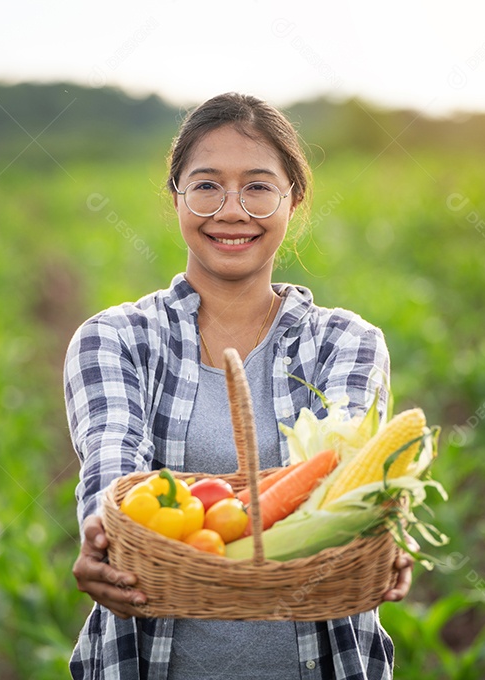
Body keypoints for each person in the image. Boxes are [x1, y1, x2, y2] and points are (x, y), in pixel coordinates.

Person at [66, 92, 414, 679]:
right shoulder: (116, 338)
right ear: (175, 197)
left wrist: (380, 527)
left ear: (292, 199)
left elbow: (351, 471)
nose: (232, 210)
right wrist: (103, 534)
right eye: (206, 186)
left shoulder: (344, 342)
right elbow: (111, 463)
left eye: (257, 186)